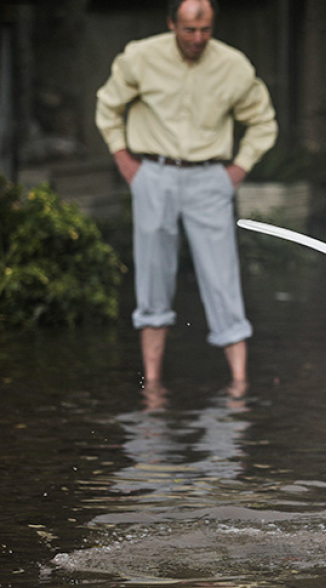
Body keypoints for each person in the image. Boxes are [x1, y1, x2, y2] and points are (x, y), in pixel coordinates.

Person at [95, 0, 277, 394]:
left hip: (209, 177)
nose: (197, 39)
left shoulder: (233, 66)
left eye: (206, 30)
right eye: (189, 30)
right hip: (153, 174)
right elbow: (108, 106)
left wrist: (239, 168)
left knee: (222, 277)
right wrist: (124, 160)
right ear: (171, 23)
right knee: (152, 277)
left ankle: (240, 387)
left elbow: (263, 121)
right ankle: (153, 389)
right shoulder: (140, 57)